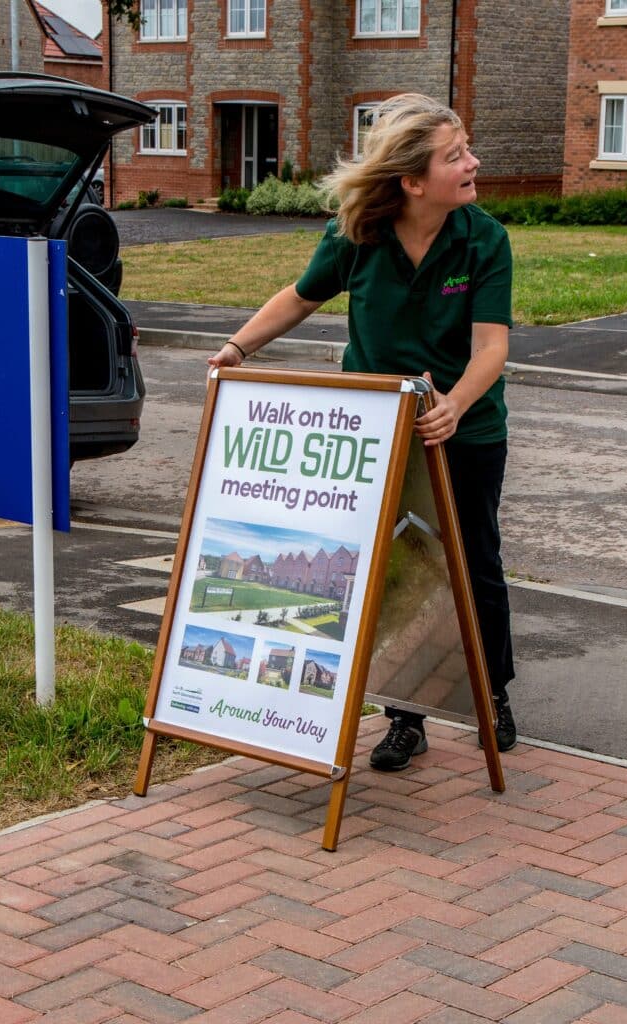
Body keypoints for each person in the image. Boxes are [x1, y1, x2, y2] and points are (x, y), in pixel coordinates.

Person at [208, 93, 517, 771]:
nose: (473, 162)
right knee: (396, 572)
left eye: (466, 149)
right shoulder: (357, 234)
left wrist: (456, 404)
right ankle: (404, 715)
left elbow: (490, 346)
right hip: (378, 432)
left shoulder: (483, 239)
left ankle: (489, 692)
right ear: (411, 181)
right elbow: (299, 296)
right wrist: (238, 348)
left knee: (470, 565)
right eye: (455, 155)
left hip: (463, 433)